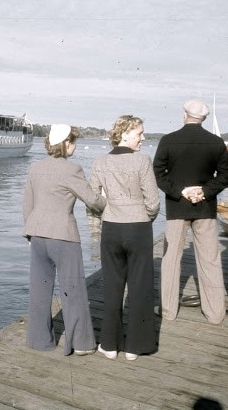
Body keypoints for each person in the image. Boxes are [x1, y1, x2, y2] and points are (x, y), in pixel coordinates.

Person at [23, 124, 107, 356]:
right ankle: (80, 344)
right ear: (66, 144)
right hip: (64, 237)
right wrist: (107, 202)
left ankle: (39, 341)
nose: (75, 147)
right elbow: (92, 201)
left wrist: (29, 233)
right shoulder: (72, 169)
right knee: (73, 290)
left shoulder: (35, 168)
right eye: (73, 142)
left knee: (39, 291)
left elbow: (27, 204)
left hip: (37, 236)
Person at [153, 98, 228, 324]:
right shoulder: (216, 142)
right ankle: (215, 314)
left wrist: (181, 191)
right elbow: (227, 175)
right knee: (210, 260)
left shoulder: (168, 140)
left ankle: (168, 311)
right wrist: (205, 191)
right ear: (204, 119)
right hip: (205, 208)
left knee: (170, 260)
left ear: (184, 114)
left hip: (177, 208)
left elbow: (159, 174)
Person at [89, 115, 160, 361]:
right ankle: (135, 347)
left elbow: (93, 198)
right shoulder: (142, 161)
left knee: (112, 286)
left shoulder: (100, 161)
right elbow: (153, 202)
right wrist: (144, 216)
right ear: (126, 134)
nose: (143, 138)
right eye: (140, 133)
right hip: (138, 227)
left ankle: (109, 345)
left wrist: (109, 210)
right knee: (140, 288)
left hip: (111, 228)